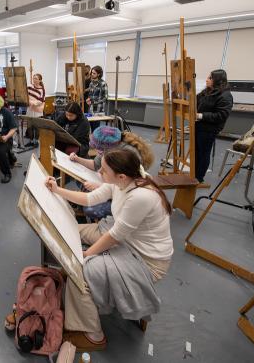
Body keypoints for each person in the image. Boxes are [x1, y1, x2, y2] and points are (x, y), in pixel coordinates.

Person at [45, 148, 173, 351]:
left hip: (146, 260)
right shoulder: (124, 180)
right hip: (128, 242)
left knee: (81, 270)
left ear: (121, 175)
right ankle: (77, 297)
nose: (99, 173)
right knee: (69, 230)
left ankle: (93, 335)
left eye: (103, 170)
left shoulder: (140, 196)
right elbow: (89, 199)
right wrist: (57, 190)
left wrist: (85, 255)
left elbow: (114, 237)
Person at [69, 126, 155, 220]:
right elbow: (95, 165)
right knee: (79, 179)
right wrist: (77, 159)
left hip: (124, 194)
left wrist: (99, 186)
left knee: (90, 209)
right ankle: (88, 195)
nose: (98, 152)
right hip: (112, 184)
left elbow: (125, 185)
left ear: (107, 148)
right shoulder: (110, 147)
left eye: (99, 150)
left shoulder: (128, 155)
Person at [195, 69, 233, 184]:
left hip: (209, 130)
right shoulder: (207, 91)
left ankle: (198, 178)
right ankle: (194, 175)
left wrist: (201, 115)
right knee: (197, 152)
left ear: (217, 80)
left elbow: (221, 115)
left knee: (204, 153)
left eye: (210, 78)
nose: (207, 79)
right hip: (199, 126)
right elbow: (195, 100)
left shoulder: (225, 95)